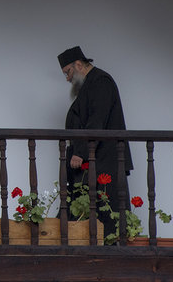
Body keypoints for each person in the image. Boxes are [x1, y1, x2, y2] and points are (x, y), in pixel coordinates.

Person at [58, 46, 133, 228]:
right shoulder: (91, 84)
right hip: (94, 160)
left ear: (78, 65)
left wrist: (81, 152)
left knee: (105, 213)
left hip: (103, 159)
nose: (67, 78)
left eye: (68, 72)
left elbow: (97, 120)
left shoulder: (100, 82)